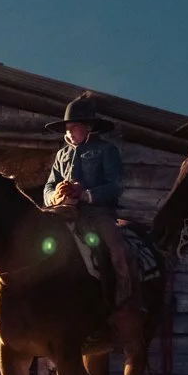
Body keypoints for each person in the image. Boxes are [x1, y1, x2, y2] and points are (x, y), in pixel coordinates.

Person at [41, 94, 138, 329]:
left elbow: (115, 186)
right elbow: (48, 186)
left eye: (74, 127)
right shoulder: (61, 155)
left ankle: (123, 305)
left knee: (117, 250)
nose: (70, 132)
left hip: (98, 213)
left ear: (88, 127)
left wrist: (85, 194)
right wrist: (57, 194)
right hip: (63, 210)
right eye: (68, 127)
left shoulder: (106, 150)